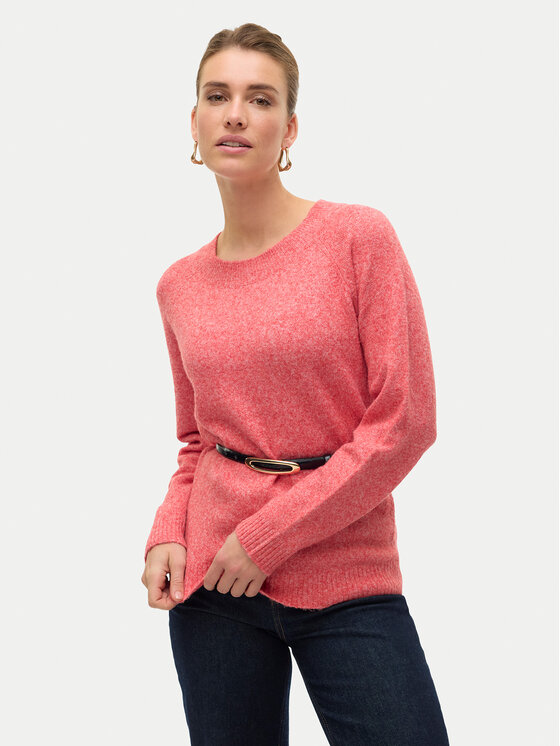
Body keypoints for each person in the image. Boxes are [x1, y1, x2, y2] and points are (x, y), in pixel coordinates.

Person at [140, 22, 450, 746]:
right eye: (217, 96)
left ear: (290, 127)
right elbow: (197, 443)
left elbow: (406, 422)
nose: (236, 114)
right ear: (194, 121)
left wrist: (268, 538)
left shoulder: (357, 238)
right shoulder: (179, 285)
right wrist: (166, 533)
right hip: (213, 584)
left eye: (260, 98)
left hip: (346, 576)